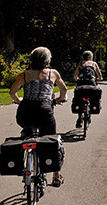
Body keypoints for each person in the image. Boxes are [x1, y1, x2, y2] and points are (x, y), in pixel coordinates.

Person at [9, 47, 67, 187]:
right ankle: (56, 176)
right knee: (52, 140)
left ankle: (26, 133)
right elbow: (64, 90)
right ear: (48, 60)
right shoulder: (52, 73)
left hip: (24, 112)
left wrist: (19, 100)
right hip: (44, 111)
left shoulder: (24, 75)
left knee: (27, 127)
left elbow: (12, 92)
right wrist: (59, 99)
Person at [73, 50, 103, 128]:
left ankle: (79, 118)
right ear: (91, 57)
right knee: (94, 97)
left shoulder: (80, 64)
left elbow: (75, 75)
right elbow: (100, 76)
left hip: (81, 84)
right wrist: (98, 79)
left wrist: (78, 80)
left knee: (79, 99)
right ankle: (91, 111)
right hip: (91, 84)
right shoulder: (94, 64)